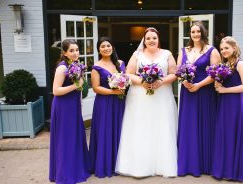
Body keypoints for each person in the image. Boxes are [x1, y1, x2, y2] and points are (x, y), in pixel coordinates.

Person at [115, 27, 178, 177]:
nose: (151, 41)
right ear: (144, 40)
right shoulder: (137, 54)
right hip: (140, 95)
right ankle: (139, 165)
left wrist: (161, 81)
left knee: (160, 125)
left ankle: (162, 165)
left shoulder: (167, 54)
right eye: (148, 38)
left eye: (154, 38)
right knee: (141, 126)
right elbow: (128, 73)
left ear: (158, 39)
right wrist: (142, 81)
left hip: (162, 95)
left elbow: (174, 73)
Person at [177, 21, 221, 176]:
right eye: (193, 31)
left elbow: (214, 75)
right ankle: (188, 163)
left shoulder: (212, 51)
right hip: (187, 92)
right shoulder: (184, 50)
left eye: (198, 31)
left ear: (203, 32)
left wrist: (198, 86)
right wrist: (186, 82)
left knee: (204, 125)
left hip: (204, 93)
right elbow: (178, 71)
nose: (195, 34)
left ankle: (204, 164)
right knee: (189, 126)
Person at [49, 39, 91, 183]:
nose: (75, 53)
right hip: (63, 107)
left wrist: (81, 86)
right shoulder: (62, 68)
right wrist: (75, 86)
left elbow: (80, 87)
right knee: (65, 139)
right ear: (65, 53)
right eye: (71, 50)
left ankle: (76, 168)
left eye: (77, 50)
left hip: (73, 106)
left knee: (74, 137)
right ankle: (65, 174)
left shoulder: (76, 65)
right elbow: (56, 91)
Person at [212, 36, 243, 181]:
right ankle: (223, 170)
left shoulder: (240, 64)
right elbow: (220, 86)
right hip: (223, 103)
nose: (223, 51)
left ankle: (233, 172)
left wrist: (225, 90)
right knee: (224, 135)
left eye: (226, 48)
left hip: (234, 104)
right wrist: (217, 83)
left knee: (232, 135)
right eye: (221, 49)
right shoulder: (225, 64)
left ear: (234, 48)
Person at [89, 37, 126, 178]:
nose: (106, 48)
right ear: (99, 49)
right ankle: (105, 164)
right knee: (105, 131)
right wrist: (112, 91)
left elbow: (126, 79)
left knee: (119, 130)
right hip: (104, 103)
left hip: (119, 102)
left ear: (112, 47)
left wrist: (123, 88)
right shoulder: (96, 67)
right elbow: (96, 88)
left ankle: (120, 163)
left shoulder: (121, 63)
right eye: (103, 46)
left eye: (108, 45)